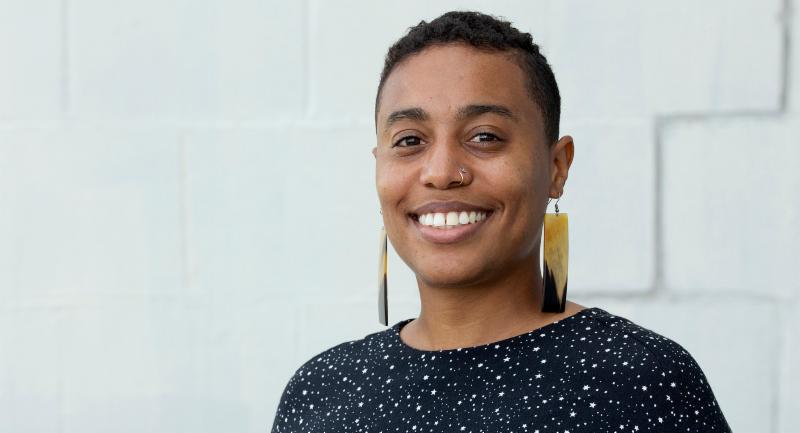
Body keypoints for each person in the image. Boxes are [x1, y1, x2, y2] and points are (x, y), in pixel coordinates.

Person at [271, 10, 732, 433]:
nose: (441, 172)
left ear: (557, 167)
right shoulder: (320, 391)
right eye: (410, 140)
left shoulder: (641, 384)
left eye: (485, 136)